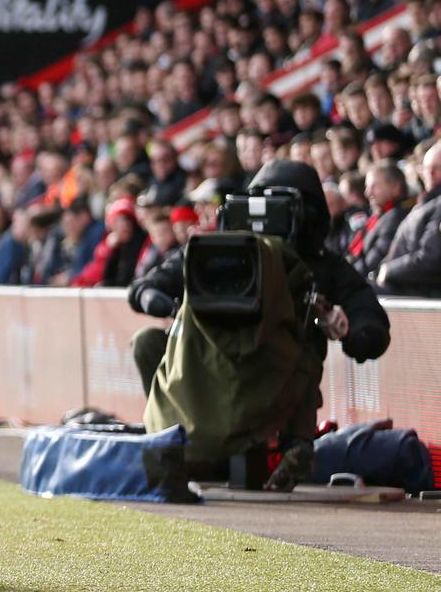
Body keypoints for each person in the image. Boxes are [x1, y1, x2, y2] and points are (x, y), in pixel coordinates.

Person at [127, 161, 390, 490]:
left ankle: (296, 447)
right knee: (147, 342)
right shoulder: (214, 251)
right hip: (206, 368)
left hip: (273, 373)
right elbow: (144, 287)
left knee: (307, 344)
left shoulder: (321, 265)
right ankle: (172, 442)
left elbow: (371, 322)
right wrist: (155, 299)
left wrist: (352, 331)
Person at [375, 142, 441, 296]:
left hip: (419, 292)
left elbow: (431, 259)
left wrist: (389, 270)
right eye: (427, 168)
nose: (430, 173)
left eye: (438, 168)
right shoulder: (425, 202)